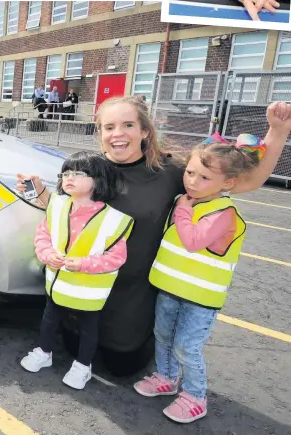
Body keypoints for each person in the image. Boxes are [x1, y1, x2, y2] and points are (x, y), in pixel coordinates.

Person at [16, 97, 291, 377]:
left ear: (144, 131)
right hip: (83, 288)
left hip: (132, 302)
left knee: (122, 367)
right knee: (75, 349)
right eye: (109, 127)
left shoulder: (168, 172)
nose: (117, 133)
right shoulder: (89, 168)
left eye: (128, 125)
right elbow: (65, 211)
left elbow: (248, 181)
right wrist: (39, 193)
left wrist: (278, 131)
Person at [134, 133, 263, 423]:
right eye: (190, 173)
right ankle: (166, 377)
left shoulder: (223, 212)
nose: (192, 181)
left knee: (187, 347)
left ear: (228, 183)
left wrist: (181, 208)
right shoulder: (191, 200)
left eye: (204, 177)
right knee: (163, 335)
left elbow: (193, 240)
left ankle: (195, 395)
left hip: (201, 298)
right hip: (170, 288)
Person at [20, 151, 133, 390]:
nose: (69, 178)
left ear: (99, 179)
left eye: (79, 173)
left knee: (88, 330)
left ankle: (83, 366)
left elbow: (116, 258)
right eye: (66, 173)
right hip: (58, 283)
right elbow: (43, 235)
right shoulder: (58, 205)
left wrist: (83, 264)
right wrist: (47, 254)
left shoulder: (114, 219)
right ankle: (44, 351)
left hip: (89, 292)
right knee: (49, 320)